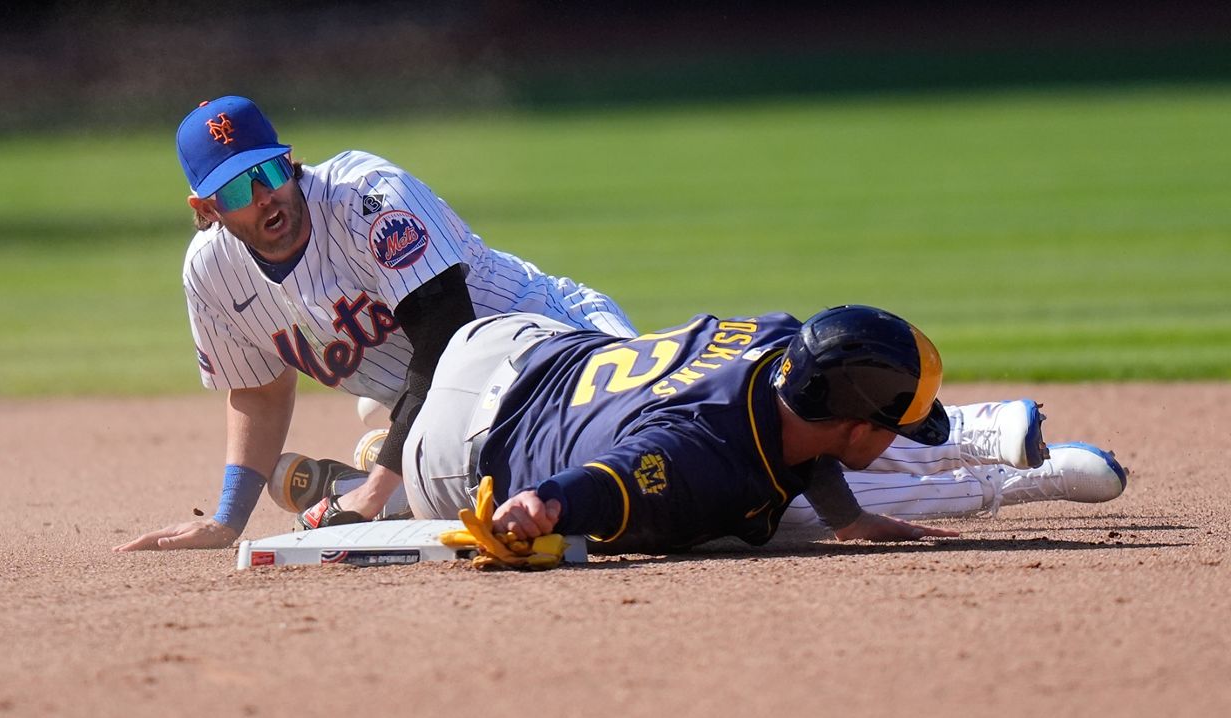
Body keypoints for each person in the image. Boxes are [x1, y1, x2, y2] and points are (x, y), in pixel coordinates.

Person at [115, 95, 636, 552]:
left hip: (559, 348)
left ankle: (380, 475)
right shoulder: (212, 273)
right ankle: (402, 464)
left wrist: (370, 496)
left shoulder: (367, 197)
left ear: (289, 162)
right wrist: (228, 520)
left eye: (268, 173)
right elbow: (260, 392)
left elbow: (443, 344)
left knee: (624, 474)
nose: (262, 198)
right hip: (456, 417)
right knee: (517, 505)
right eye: (234, 193)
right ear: (206, 208)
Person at [398, 305, 1123, 551]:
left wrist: (848, 517)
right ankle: (390, 466)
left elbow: (795, 436)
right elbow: (620, 481)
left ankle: (381, 446)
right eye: (891, 424)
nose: (897, 433)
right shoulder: (706, 460)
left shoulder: (781, 336)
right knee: (739, 510)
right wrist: (545, 504)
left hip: (511, 340)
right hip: (455, 453)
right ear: (851, 426)